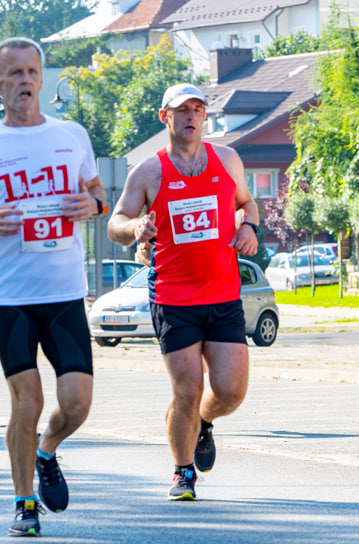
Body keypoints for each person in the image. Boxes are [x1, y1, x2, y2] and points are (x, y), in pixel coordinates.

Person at [0, 37, 104, 537]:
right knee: (26, 401)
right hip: (10, 295)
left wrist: (93, 206)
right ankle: (24, 504)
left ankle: (46, 450)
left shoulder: (72, 135)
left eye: (33, 72)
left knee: (76, 403)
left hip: (64, 291)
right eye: (15, 74)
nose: (26, 81)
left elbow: (97, 192)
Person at [107, 83, 259, 501]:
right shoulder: (148, 172)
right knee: (187, 389)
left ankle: (204, 423)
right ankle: (182, 471)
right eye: (182, 110)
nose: (192, 116)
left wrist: (248, 226)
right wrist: (135, 228)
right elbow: (115, 222)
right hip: (174, 298)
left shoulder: (226, 159)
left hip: (224, 293)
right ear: (165, 117)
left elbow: (248, 204)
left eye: (198, 109)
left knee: (230, 391)